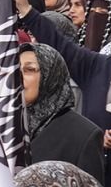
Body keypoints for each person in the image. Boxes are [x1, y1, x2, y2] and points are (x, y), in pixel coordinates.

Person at [19, 40, 104, 179]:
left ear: (51, 75)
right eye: (16, 70)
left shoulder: (84, 136)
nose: (18, 77)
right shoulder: (5, 123)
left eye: (29, 70)